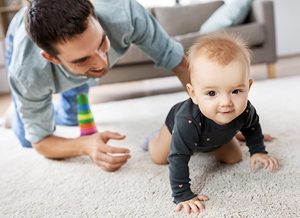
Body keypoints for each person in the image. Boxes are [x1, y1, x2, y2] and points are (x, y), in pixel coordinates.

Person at [5, 0, 189, 172]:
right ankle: (23, 108)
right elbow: (41, 142)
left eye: (102, 42)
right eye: (82, 59)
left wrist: (205, 107)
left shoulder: (125, 12)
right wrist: (85, 145)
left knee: (71, 118)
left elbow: (180, 63)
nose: (102, 63)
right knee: (27, 139)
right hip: (19, 41)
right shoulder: (26, 73)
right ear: (52, 58)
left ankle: (43, 103)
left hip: (70, 70)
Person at [140, 32, 279, 215]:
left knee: (234, 158)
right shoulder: (187, 121)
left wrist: (258, 150)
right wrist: (183, 194)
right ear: (193, 93)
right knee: (160, 157)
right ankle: (154, 137)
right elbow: (179, 158)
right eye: (212, 93)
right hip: (176, 130)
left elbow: (252, 127)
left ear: (248, 87)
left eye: (236, 91)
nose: (226, 103)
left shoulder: (245, 110)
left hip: (213, 136)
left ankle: (231, 132)